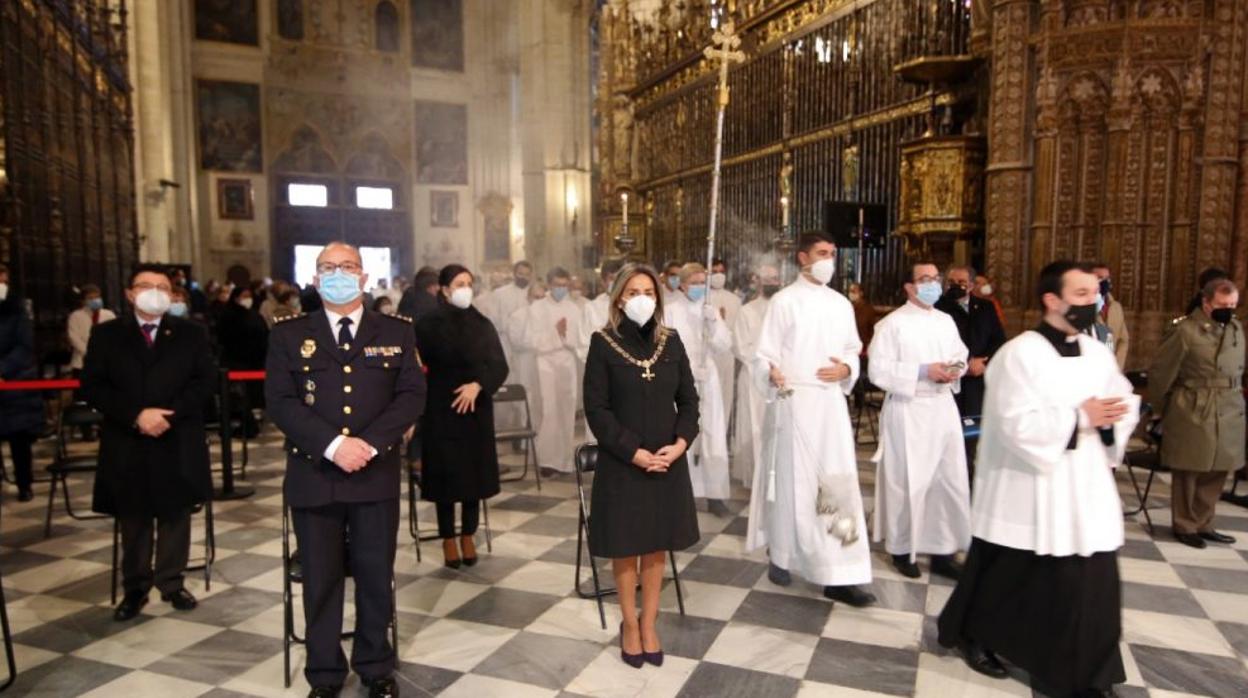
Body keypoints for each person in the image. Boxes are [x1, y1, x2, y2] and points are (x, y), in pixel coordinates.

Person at [937, 261, 1139, 698]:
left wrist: (1111, 420)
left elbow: (1122, 399)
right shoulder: (1019, 354)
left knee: (1094, 583)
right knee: (1014, 578)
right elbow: (1012, 423)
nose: (1094, 300)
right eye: (1083, 293)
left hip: (1082, 484)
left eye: (1096, 292)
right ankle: (979, 636)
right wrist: (1079, 417)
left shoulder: (1097, 352)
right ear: (1052, 299)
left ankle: (1091, 672)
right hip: (1028, 484)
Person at [265, 242, 425, 698]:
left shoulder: (397, 330)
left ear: (364, 276)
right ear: (315, 279)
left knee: (376, 574)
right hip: (315, 474)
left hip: (374, 474)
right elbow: (280, 401)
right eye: (328, 268)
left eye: (348, 266)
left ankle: (376, 665)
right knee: (320, 578)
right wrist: (334, 446)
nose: (338, 274)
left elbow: (411, 395)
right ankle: (324, 672)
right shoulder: (287, 334)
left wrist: (369, 445)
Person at [746, 232, 876, 607]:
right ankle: (782, 553)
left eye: (833, 253)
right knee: (793, 483)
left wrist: (847, 368)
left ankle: (840, 574)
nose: (829, 260)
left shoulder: (840, 304)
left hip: (830, 408)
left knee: (836, 486)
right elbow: (764, 354)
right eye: (822, 253)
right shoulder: (784, 303)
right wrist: (770, 373)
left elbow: (853, 348)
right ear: (803, 257)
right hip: (794, 403)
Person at [81, 263, 216, 620]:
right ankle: (135, 587)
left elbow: (204, 382)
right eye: (145, 285)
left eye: (162, 286)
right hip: (128, 437)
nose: (154, 291)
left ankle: (172, 582)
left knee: (176, 514)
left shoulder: (191, 333)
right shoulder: (107, 335)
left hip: (177, 434)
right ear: (129, 293)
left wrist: (166, 415)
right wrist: (137, 415)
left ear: (172, 295)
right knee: (134, 515)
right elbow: (93, 386)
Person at [584, 263, 700, 669]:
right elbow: (596, 410)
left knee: (655, 547)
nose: (642, 299)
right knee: (626, 548)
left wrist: (680, 443)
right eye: (633, 292)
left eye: (648, 292)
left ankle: (649, 623)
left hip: (667, 461)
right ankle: (629, 625)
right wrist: (632, 451)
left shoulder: (671, 341)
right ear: (619, 298)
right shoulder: (603, 344)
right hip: (624, 462)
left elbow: (689, 401)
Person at [868, 262, 971, 579]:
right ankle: (902, 549)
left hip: (943, 406)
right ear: (909, 288)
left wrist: (954, 369)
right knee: (908, 480)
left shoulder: (946, 321)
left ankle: (942, 549)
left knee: (948, 479)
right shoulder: (892, 324)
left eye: (935, 279)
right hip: (909, 408)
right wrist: (923, 371)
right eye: (924, 279)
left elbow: (960, 356)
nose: (932, 284)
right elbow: (878, 371)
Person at [415, 264, 509, 568]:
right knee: (446, 478)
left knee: (473, 477)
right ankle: (447, 539)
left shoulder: (482, 323)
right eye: (459, 283)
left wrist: (478, 385)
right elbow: (415, 361)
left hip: (475, 410)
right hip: (441, 409)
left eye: (469, 282)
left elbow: (498, 365)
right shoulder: (427, 324)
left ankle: (468, 534)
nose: (465, 288)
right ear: (444, 289)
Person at [1149, 278, 1244, 549]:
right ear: (1206, 302)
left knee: (1217, 468)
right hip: (1193, 404)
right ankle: (1185, 524)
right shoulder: (1185, 330)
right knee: (1190, 468)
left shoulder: (1235, 328)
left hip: (1228, 407)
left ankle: (1204, 522)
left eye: (1233, 305)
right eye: (1222, 305)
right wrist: (1159, 410)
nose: (1228, 309)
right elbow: (1162, 373)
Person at [664, 262, 732, 516]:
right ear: (682, 284)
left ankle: (715, 495)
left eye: (702, 282)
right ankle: (681, 495)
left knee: (712, 434)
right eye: (693, 282)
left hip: (708, 378)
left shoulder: (709, 309)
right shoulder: (670, 311)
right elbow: (663, 345)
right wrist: (684, 366)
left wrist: (713, 323)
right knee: (682, 434)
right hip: (680, 380)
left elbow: (724, 345)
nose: (698, 287)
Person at [514, 268, 581, 474]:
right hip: (544, 363)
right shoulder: (538, 308)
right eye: (557, 285)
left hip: (567, 363)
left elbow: (579, 339)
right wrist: (555, 333)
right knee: (547, 411)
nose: (561, 289)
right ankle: (546, 461)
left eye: (564, 285)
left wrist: (566, 337)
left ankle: (564, 460)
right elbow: (529, 339)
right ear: (550, 285)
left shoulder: (574, 308)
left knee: (567, 411)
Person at [934, 266, 1005, 421]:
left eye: (961, 282)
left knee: (975, 427)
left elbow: (998, 340)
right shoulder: (937, 308)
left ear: (971, 285)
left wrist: (983, 363)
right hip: (950, 376)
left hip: (978, 377)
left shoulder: (986, 307)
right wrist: (964, 365)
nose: (955, 286)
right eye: (951, 282)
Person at [731, 262, 779, 488]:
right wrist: (766, 363)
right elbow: (741, 346)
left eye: (775, 279)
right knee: (753, 424)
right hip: (753, 377)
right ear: (757, 281)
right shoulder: (747, 310)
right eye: (767, 278)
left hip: (780, 377)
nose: (771, 283)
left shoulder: (784, 308)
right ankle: (754, 476)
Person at [0, 265, 42, 501]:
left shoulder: (17, 309)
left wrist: (2, 369)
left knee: (19, 440)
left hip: (15, 383)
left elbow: (24, 346)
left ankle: (24, 483)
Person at [216, 286, 269, 436]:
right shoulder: (228, 315)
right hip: (235, 361)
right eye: (244, 295)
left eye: (249, 295)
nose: (247, 299)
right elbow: (224, 337)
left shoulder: (254, 315)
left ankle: (251, 422)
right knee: (237, 396)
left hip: (255, 361)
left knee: (252, 395)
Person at [708, 258, 741, 423]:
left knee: (725, 395)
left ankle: (723, 436)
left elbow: (738, 330)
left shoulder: (735, 300)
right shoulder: (703, 299)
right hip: (708, 354)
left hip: (728, 355)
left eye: (721, 272)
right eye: (714, 272)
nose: (718, 276)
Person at [68, 283, 117, 375]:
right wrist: (91, 353)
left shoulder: (109, 314)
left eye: (97, 297)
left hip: (106, 362)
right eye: (91, 298)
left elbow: (115, 335)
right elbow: (74, 338)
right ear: (83, 301)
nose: (95, 300)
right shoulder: (76, 316)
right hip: (81, 363)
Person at [1090, 263, 1130, 369]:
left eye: (1107, 278)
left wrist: (1116, 367)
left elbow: (1123, 340)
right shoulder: (1082, 306)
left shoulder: (1116, 307)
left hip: (1112, 370)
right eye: (1099, 278)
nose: (1104, 282)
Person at [846, 282, 877, 351]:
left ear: (861, 293)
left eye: (854, 291)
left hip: (863, 345)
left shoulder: (868, 309)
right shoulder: (847, 306)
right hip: (849, 344)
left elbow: (872, 329)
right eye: (850, 291)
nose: (851, 294)